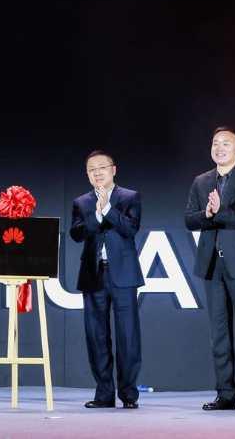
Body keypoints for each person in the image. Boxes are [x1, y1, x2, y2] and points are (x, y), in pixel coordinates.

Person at [185, 126, 235, 411]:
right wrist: (206, 214)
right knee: (219, 333)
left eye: (226, 144)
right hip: (211, 265)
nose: (219, 148)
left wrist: (220, 212)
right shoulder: (201, 181)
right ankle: (225, 393)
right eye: (215, 143)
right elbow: (189, 220)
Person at [70, 150, 143, 409]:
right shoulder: (81, 202)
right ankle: (104, 393)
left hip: (123, 274)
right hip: (93, 274)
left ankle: (129, 394)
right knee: (96, 336)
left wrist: (108, 210)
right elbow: (76, 233)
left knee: (128, 336)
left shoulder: (130, 197)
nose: (97, 173)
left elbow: (130, 228)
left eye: (102, 167)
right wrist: (97, 215)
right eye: (92, 169)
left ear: (113, 169)